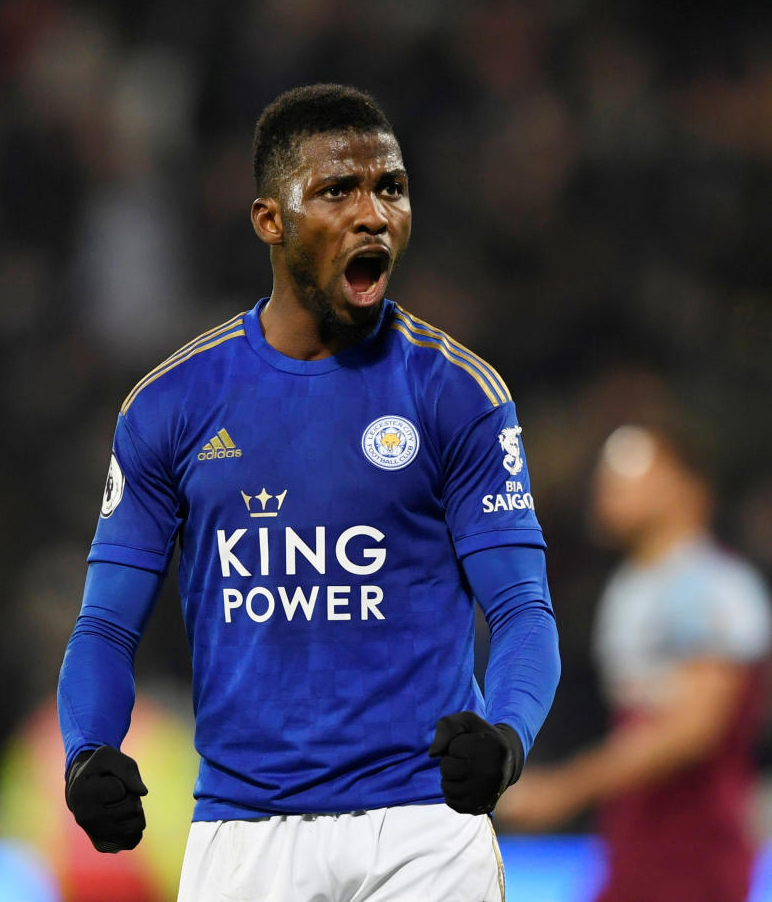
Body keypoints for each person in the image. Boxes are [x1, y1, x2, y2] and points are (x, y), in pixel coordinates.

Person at [56, 83, 560, 902]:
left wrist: (505, 737)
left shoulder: (460, 394)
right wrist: (86, 753)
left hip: (423, 827)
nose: (373, 214)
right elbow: (107, 625)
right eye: (338, 190)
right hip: (245, 837)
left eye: (389, 188)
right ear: (269, 219)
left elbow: (523, 611)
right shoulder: (171, 406)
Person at [497, 419, 772, 902]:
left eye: (635, 467)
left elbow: (691, 731)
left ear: (689, 486)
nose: (610, 482)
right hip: (634, 840)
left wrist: (564, 789)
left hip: (695, 852)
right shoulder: (630, 586)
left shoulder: (715, 588)